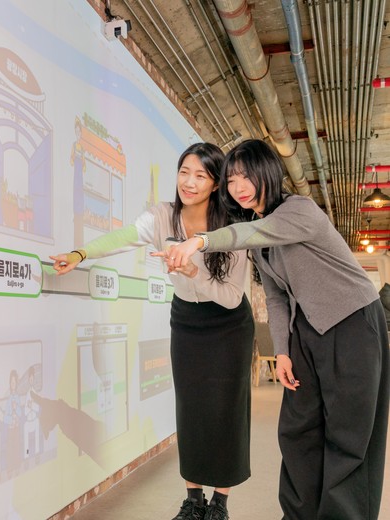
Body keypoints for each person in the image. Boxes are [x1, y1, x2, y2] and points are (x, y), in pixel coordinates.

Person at [161, 139, 390, 520]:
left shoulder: (298, 210)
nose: (238, 186)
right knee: (298, 430)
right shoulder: (261, 238)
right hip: (307, 331)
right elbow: (277, 298)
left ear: (267, 172)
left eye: (246, 175)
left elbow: (249, 233)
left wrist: (199, 240)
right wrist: (282, 351)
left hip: (352, 322)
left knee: (348, 434)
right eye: (231, 179)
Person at [51, 142, 254, 520]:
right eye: (184, 172)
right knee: (190, 409)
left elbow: (230, 297)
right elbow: (124, 237)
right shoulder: (163, 216)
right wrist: (81, 254)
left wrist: (193, 272)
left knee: (226, 410)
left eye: (201, 176)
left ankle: (219, 504)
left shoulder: (233, 226)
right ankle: (194, 501)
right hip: (187, 320)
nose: (189, 182)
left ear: (216, 183)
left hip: (229, 325)